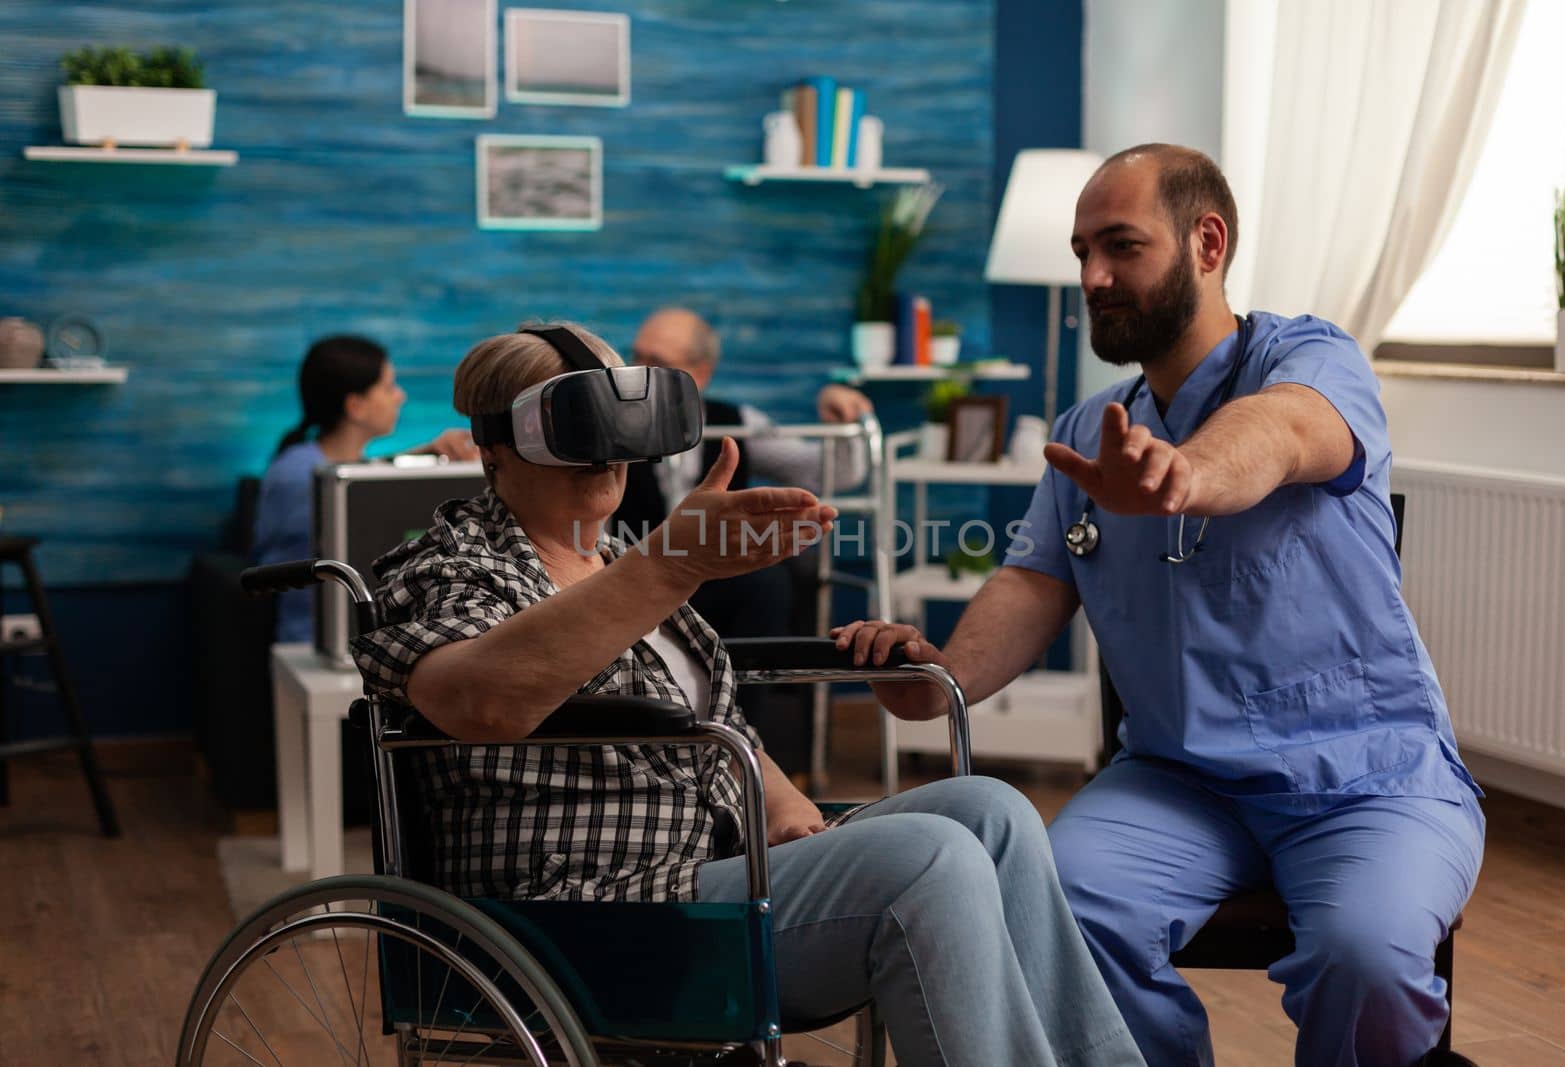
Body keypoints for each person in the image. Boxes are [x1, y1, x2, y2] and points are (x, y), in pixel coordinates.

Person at [834, 145, 1484, 1067]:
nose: (1093, 277)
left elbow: (1284, 432)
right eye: (1081, 252)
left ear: (1206, 242)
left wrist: (1191, 473)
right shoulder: (1088, 433)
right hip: (1180, 784)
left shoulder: (1310, 358)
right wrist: (939, 679)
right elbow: (1031, 582)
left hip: (1365, 779)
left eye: (1121, 247)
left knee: (1365, 957)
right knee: (1055, 902)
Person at [349, 323, 1145, 1067]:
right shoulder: (451, 567)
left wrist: (790, 806)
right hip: (586, 914)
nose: (605, 455)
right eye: (575, 428)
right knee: (928, 861)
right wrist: (669, 566)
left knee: (994, 812)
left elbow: (707, 723)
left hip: (709, 868)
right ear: (496, 450)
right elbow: (479, 699)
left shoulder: (616, 559)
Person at [619, 307, 877, 774]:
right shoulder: (608, 425)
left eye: (654, 362)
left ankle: (742, 752)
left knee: (768, 584)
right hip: (629, 569)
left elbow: (831, 471)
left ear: (699, 373)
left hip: (716, 579)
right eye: (634, 358)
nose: (637, 374)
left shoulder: (734, 420)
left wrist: (844, 411)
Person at [253, 334, 475, 643]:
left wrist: (429, 452)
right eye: (388, 387)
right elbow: (360, 508)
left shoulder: (314, 464)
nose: (399, 397)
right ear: (355, 406)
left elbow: (365, 475)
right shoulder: (301, 475)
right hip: (313, 641)